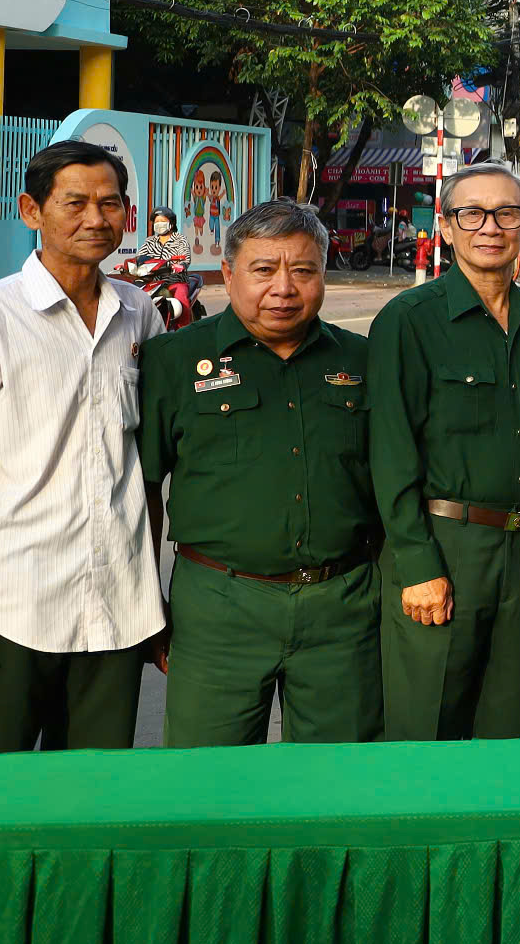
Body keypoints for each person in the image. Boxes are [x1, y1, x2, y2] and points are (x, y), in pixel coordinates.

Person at [0, 140, 164, 753]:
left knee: (91, 802)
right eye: (74, 202)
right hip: (11, 609)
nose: (95, 219)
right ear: (32, 210)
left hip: (116, 609)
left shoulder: (140, 314)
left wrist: (154, 590)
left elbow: (148, 470)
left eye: (110, 204)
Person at [138, 201, 382, 745]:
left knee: (336, 786)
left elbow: (389, 483)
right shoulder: (173, 361)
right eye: (264, 269)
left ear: (323, 273)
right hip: (219, 607)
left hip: (342, 607)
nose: (284, 288)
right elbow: (145, 490)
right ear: (227, 274)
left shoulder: (365, 361)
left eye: (303, 270)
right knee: (209, 789)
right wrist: (146, 598)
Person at [368, 162, 520, 740]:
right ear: (447, 229)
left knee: (514, 724)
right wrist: (418, 564)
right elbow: (391, 452)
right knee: (429, 724)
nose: (490, 227)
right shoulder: (410, 320)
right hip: (446, 546)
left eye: (507, 213)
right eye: (471, 213)